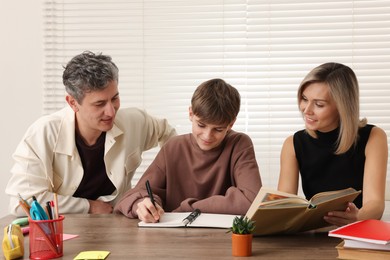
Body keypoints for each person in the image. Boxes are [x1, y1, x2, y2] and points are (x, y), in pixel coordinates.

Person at [6, 51, 176, 215]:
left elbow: (171, 139)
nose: (111, 112)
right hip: (64, 232)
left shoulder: (135, 121)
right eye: (99, 104)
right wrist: (89, 206)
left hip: (119, 228)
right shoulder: (43, 133)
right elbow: (22, 202)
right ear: (73, 102)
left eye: (114, 98)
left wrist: (163, 185)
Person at [114, 78, 262, 222]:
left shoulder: (239, 144)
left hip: (222, 240)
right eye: (201, 125)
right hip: (175, 239)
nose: (207, 136)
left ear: (231, 124)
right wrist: (143, 204)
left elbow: (251, 200)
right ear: (191, 114)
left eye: (218, 129)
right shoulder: (173, 147)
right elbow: (131, 197)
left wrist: (188, 207)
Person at [278, 62, 388, 227]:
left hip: (356, 232)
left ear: (342, 107)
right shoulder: (292, 144)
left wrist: (358, 217)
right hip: (314, 236)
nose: (306, 110)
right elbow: (283, 206)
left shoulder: (374, 137)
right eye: (304, 99)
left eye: (319, 104)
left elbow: (375, 204)